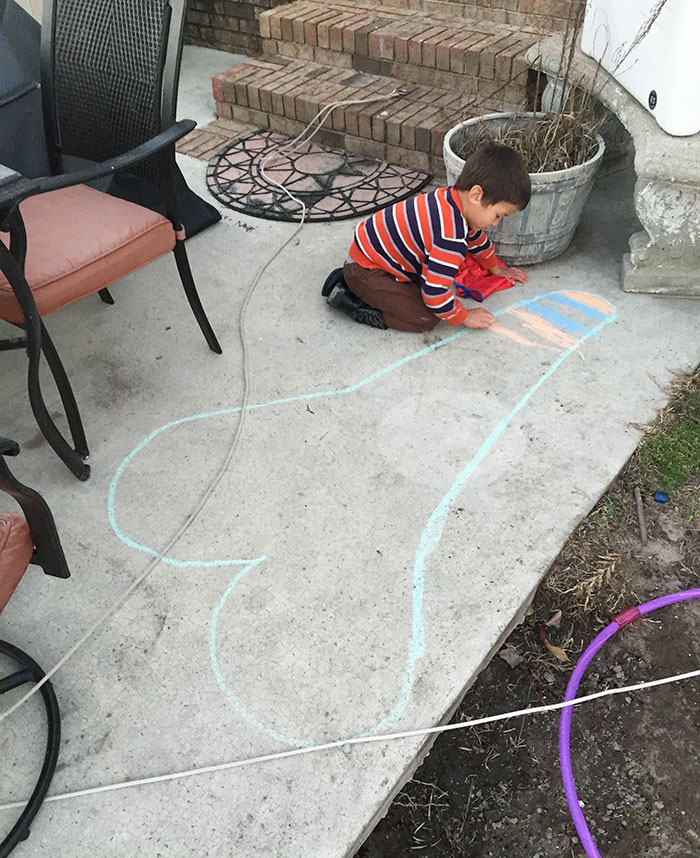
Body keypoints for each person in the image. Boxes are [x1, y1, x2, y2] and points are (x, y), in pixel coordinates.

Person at [321, 141, 531, 332]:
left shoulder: (449, 200)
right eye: (497, 215)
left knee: (423, 288)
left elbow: (477, 241)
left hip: (372, 257)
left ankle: (354, 281)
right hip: (369, 269)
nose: (495, 223)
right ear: (476, 195)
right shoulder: (451, 237)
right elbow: (435, 294)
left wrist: (496, 268)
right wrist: (464, 316)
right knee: (424, 318)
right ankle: (349, 299)